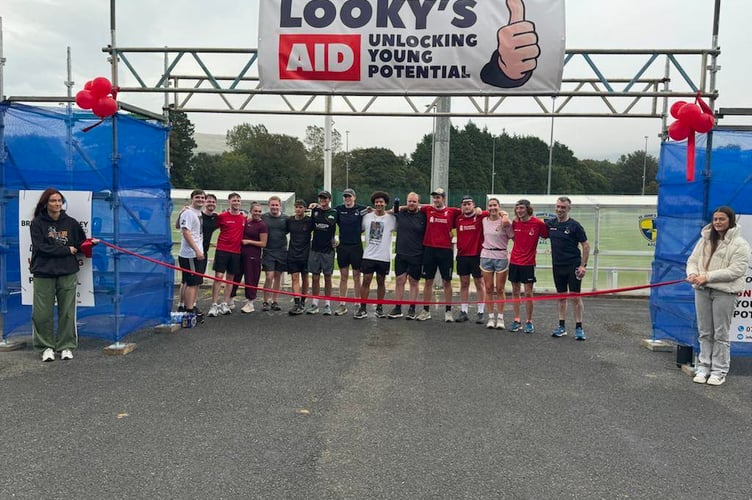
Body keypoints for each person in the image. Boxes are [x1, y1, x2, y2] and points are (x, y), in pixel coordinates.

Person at [30, 188, 96, 362]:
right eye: (53, 201)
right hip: (43, 272)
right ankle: (46, 347)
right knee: (42, 313)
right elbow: (41, 248)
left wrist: (89, 244)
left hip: (67, 272)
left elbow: (80, 243)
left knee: (67, 311)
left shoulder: (71, 223)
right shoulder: (37, 223)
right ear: (46, 203)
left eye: (59, 200)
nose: (57, 204)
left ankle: (65, 346)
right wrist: (67, 249)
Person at [686, 206, 750, 386]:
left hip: (725, 292)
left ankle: (719, 371)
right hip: (702, 290)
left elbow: (736, 270)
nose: (718, 222)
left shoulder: (740, 244)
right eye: (715, 219)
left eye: (722, 219)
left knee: (720, 333)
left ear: (730, 221)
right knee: (704, 331)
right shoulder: (704, 240)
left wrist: (707, 276)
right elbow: (692, 260)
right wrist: (692, 273)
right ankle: (704, 366)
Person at [416, 188, 462, 322]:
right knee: (428, 281)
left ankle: (448, 311)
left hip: (445, 250)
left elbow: (470, 211)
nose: (436, 199)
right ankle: (426, 310)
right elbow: (411, 206)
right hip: (429, 249)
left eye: (438, 197)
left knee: (446, 281)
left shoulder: (452, 211)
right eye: (434, 197)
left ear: (443, 198)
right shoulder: (428, 209)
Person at [547, 196, 590, 341]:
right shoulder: (551, 224)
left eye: (563, 207)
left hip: (573, 266)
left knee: (575, 297)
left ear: (568, 209)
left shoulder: (575, 226)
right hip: (557, 266)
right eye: (558, 206)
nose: (560, 209)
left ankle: (579, 328)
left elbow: (585, 245)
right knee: (561, 297)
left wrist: (583, 266)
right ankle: (561, 327)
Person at [508, 199, 548, 333]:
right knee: (515, 291)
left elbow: (547, 234)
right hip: (514, 261)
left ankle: (529, 321)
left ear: (528, 209)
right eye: (517, 208)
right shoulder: (515, 222)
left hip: (528, 263)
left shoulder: (537, 223)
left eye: (522, 208)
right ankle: (517, 319)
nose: (519, 211)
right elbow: (513, 236)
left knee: (528, 293)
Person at [354, 192, 396, 319]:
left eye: (381, 202)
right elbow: (358, 229)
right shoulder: (367, 217)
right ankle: (363, 308)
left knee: (381, 282)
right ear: (374, 203)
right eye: (377, 202)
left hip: (383, 257)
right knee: (366, 281)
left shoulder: (391, 219)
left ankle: (379, 307)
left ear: (385, 203)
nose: (379, 204)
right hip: (369, 255)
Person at [207, 193, 245, 317]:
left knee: (230, 279)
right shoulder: (222, 216)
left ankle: (224, 303)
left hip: (236, 252)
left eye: (238, 200)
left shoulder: (243, 217)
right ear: (229, 202)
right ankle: (214, 304)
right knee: (218, 277)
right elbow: (209, 228)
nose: (236, 202)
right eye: (234, 200)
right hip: (222, 250)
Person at [390, 192, 426, 320]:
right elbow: (389, 211)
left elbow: (431, 206)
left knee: (413, 282)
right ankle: (398, 307)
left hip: (417, 254)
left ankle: (412, 308)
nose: (411, 203)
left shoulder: (423, 216)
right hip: (401, 253)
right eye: (409, 201)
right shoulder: (400, 213)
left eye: (414, 201)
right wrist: (402, 207)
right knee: (400, 281)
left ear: (418, 203)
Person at [480, 198, 514, 329]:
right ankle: (490, 317)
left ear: (499, 207)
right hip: (486, 256)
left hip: (501, 256)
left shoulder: (505, 222)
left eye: (495, 205)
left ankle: (500, 318)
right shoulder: (484, 220)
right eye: (490, 205)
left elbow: (513, 237)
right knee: (488, 288)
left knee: (500, 288)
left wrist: (505, 216)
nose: (492, 208)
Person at [454, 195, 488, 323]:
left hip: (476, 256)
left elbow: (496, 212)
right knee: (464, 283)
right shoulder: (458, 219)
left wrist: (480, 210)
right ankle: (464, 311)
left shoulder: (480, 216)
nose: (467, 206)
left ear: (473, 205)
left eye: (469, 204)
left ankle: (480, 312)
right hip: (462, 256)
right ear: (461, 206)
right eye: (464, 204)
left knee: (479, 283)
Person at [334, 188, 367, 316]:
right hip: (343, 246)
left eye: (349, 197)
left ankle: (358, 303)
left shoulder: (361, 209)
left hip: (356, 246)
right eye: (345, 197)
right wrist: (316, 206)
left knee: (357, 276)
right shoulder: (338, 209)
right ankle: (342, 303)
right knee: (343, 276)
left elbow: (374, 212)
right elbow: (327, 213)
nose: (347, 199)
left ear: (354, 197)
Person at [306, 191, 338, 315]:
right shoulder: (315, 211)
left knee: (328, 277)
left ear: (329, 199)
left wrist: (337, 240)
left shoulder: (334, 213)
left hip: (328, 249)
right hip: (315, 248)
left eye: (325, 198)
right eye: (321, 198)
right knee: (315, 277)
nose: (323, 200)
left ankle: (327, 304)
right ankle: (315, 303)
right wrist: (313, 207)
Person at [178, 189, 207, 321]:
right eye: (197, 197)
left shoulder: (198, 213)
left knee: (192, 282)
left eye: (202, 197)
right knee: (191, 283)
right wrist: (196, 250)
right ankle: (189, 310)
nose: (200, 199)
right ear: (192, 198)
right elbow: (185, 232)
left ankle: (188, 306)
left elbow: (178, 225)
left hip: (196, 252)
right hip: (190, 254)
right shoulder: (189, 213)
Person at [261, 196, 289, 311]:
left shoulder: (285, 219)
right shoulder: (264, 217)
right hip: (268, 251)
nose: (274, 207)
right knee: (269, 276)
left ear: (280, 205)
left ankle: (275, 301)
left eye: (276, 205)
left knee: (278, 276)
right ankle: (265, 301)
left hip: (281, 250)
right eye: (272, 205)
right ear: (269, 205)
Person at [239, 202, 268, 313]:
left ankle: (250, 303)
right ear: (251, 211)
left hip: (253, 256)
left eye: (259, 211)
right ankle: (230, 300)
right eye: (255, 211)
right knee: (236, 276)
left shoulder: (262, 225)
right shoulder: (247, 222)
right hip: (241, 254)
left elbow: (263, 243)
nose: (257, 213)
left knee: (251, 278)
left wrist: (249, 242)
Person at [286, 200, 313, 315]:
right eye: (296, 207)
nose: (298, 209)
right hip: (293, 253)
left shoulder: (309, 221)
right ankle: (296, 303)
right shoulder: (290, 220)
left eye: (301, 207)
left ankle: (303, 301)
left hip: (306, 254)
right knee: (295, 278)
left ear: (305, 209)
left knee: (305, 278)